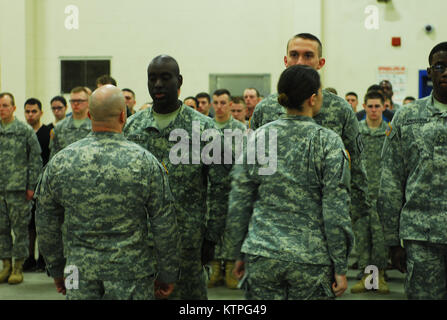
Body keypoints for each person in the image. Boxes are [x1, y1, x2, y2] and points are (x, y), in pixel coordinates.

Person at [35, 85, 180, 300]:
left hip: (78, 272)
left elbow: (46, 221)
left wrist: (56, 269)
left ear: (90, 115)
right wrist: (168, 273)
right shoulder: (145, 162)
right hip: (131, 273)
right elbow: (164, 223)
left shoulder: (61, 162)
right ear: (124, 115)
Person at [223, 65, 353, 300]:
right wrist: (341, 266)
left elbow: (240, 200)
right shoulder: (328, 142)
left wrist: (238, 253)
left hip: (262, 253)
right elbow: (335, 210)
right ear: (313, 99)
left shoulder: (258, 137)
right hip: (311, 260)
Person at [124, 55, 231, 300]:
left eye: (165, 77)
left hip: (187, 242)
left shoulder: (205, 129)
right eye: (153, 78)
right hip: (140, 241)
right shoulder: (132, 128)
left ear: (179, 80)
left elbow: (222, 186)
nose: (158, 84)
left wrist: (212, 237)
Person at [250, 32, 370, 235]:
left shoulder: (340, 110)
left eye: (308, 55)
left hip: (322, 227)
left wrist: (350, 218)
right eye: (294, 55)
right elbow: (252, 169)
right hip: (273, 225)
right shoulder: (266, 109)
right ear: (285, 60)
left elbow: (356, 169)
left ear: (320, 62)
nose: (300, 62)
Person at [378, 42, 447, 300]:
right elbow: (391, 181)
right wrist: (393, 241)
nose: (446, 72)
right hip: (422, 239)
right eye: (440, 66)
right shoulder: (407, 117)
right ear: (430, 72)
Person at [0, 92, 42, 284]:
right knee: (1, 229)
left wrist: (31, 187)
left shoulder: (24, 131)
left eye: (5, 106)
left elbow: (35, 161)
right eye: (0, 106)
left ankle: (18, 266)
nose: (2, 109)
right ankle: (6, 265)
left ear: (14, 108)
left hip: (18, 190)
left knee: (20, 230)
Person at [350, 91, 389, 294]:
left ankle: (379, 276)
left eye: (377, 106)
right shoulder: (356, 132)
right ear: (364, 107)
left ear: (384, 107)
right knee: (362, 239)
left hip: (382, 195)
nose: (373, 110)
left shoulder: (389, 133)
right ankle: (367, 277)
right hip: (361, 194)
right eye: (370, 106)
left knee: (380, 239)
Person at [207, 89, 246, 290]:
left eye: (223, 102)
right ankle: (215, 270)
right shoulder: (206, 128)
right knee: (213, 228)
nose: (219, 107)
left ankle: (230, 269)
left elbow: (245, 162)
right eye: (216, 102)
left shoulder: (240, 130)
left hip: (233, 189)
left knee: (232, 229)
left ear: (230, 104)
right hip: (211, 189)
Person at [22, 98, 51, 272]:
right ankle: (28, 259)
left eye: (34, 111)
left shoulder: (48, 132)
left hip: (44, 184)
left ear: (41, 112)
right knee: (28, 225)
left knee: (43, 225)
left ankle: (43, 259)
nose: (30, 114)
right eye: (27, 111)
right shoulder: (24, 132)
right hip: (25, 185)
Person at [49, 87, 92, 159]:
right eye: (73, 101)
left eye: (80, 100)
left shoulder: (95, 126)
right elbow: (53, 156)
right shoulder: (60, 127)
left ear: (88, 102)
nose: (75, 103)